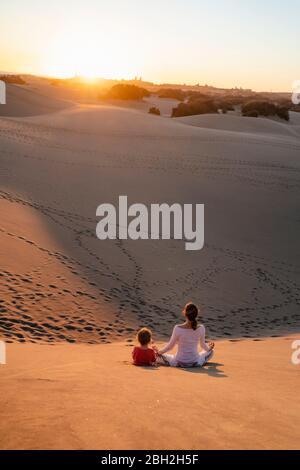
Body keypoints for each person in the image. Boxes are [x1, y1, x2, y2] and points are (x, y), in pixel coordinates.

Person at [157, 302, 214, 367]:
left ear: (185, 313)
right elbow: (203, 345)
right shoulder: (201, 328)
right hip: (195, 360)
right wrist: (209, 349)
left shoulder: (177, 328)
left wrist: (159, 352)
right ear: (196, 314)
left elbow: (170, 346)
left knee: (157, 356)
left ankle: (179, 363)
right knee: (211, 352)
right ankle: (198, 363)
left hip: (178, 361)